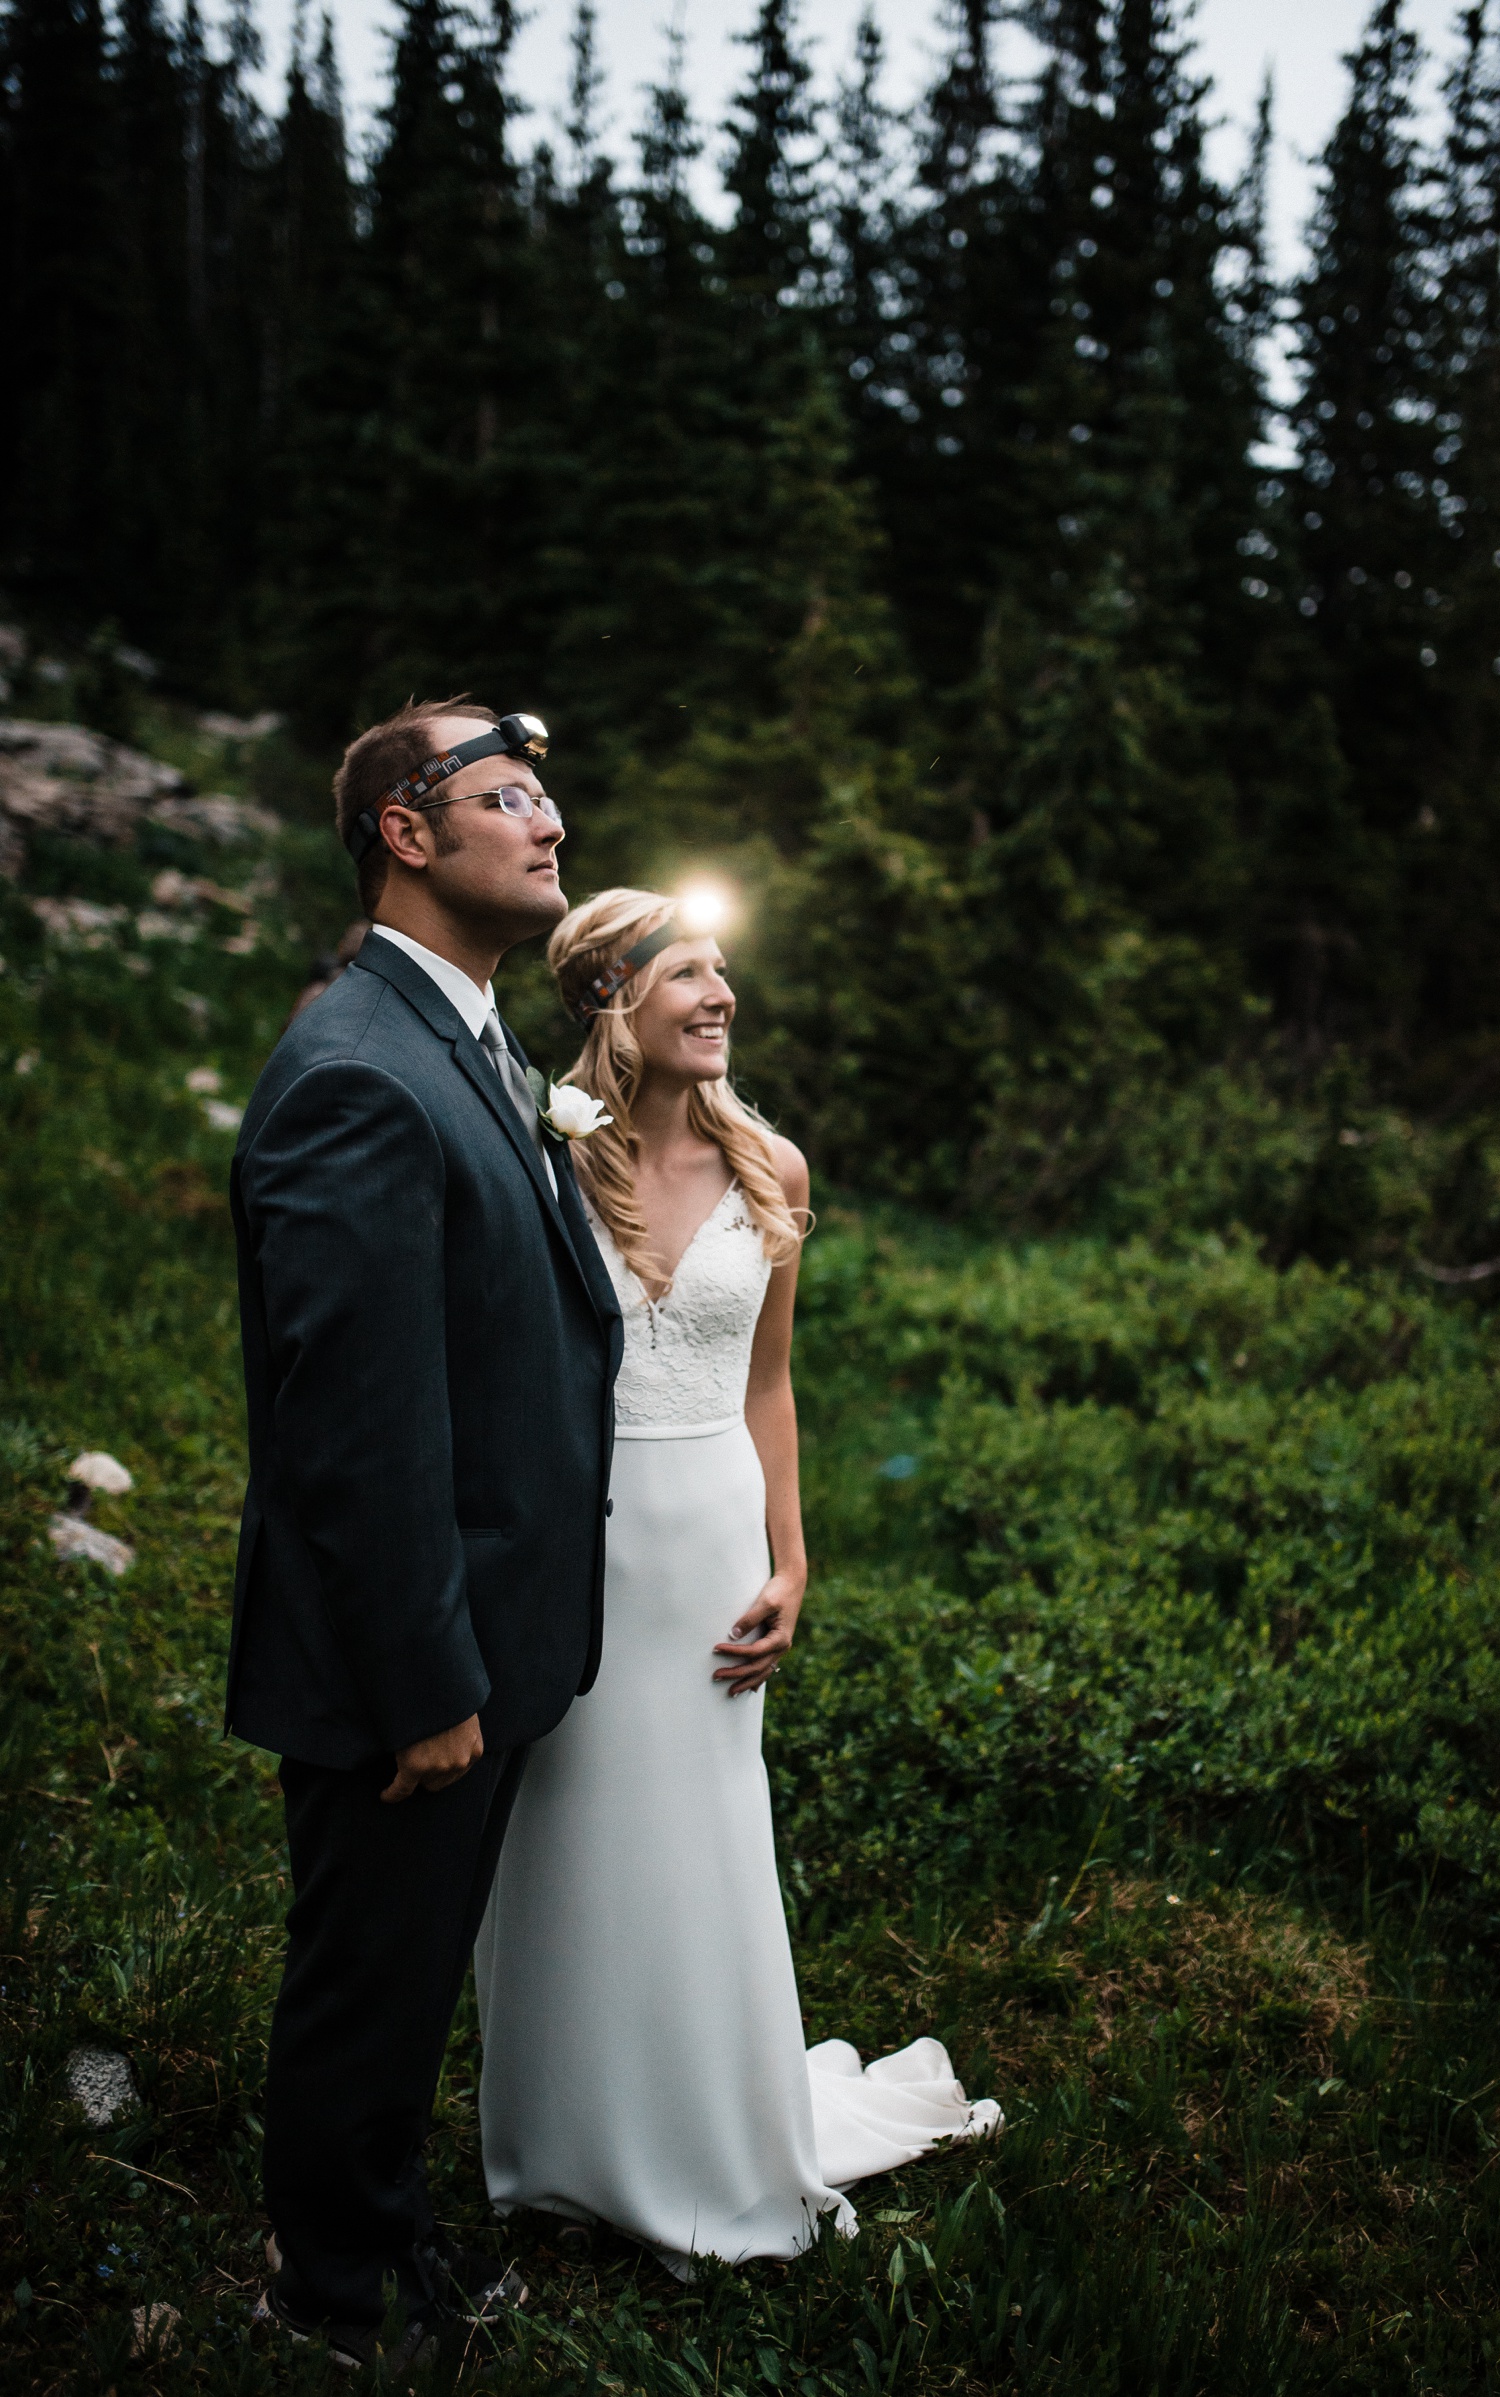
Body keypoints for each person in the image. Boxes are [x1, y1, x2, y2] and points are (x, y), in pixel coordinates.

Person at [475, 887, 999, 2280]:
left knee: (704, 1837)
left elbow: (770, 1385)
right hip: (580, 1539)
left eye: (725, 977)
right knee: (564, 1833)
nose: (721, 999)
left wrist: (796, 1554)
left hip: (709, 1535)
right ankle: (562, 2149)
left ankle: (710, 2140)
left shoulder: (776, 1161)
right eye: (690, 976)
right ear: (613, 1001)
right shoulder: (545, 1157)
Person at [228, 700, 622, 2372]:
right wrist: (426, 1682)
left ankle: (382, 2227)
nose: (551, 824)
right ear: (406, 828)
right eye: (510, 797)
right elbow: (357, 1432)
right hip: (408, 1656)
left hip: (479, 1622)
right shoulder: (355, 1073)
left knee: (407, 1967)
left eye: (551, 798)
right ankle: (337, 2295)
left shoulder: (462, 1033)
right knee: (369, 1979)